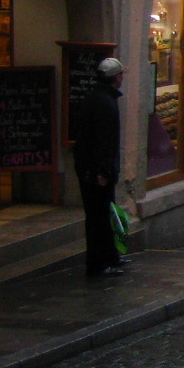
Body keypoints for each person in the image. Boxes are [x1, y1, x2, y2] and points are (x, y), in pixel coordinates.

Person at [72, 57, 128, 276]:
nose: (122, 78)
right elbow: (103, 140)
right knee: (99, 218)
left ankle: (110, 257)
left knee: (106, 214)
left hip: (92, 167)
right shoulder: (104, 102)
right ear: (116, 77)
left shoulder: (98, 97)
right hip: (95, 170)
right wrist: (103, 171)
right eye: (121, 74)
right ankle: (98, 264)